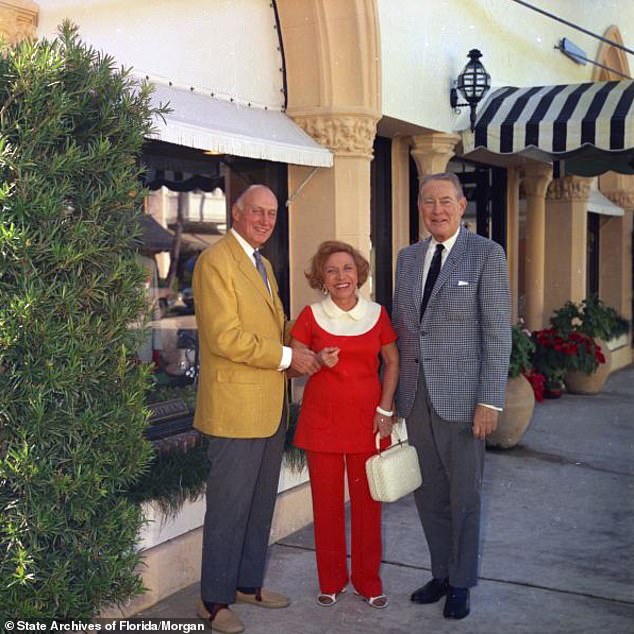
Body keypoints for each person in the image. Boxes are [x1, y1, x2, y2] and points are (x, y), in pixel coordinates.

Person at [193, 185, 322, 634]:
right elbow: (224, 337)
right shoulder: (215, 262)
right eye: (257, 212)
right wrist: (289, 358)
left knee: (259, 504)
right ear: (237, 212)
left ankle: (246, 584)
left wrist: (311, 339)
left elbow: (275, 326)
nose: (265, 220)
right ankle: (212, 602)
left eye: (271, 213)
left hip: (268, 406)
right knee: (229, 507)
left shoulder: (262, 264)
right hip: (233, 408)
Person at [392, 172, 511, 620]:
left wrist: (490, 400)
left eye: (445, 201)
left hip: (464, 403)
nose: (436, 210)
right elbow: (404, 332)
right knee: (429, 494)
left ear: (462, 206)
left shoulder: (486, 255)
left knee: (464, 495)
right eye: (428, 202)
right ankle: (440, 572)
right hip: (416, 397)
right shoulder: (407, 259)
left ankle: (461, 582)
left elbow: (497, 334)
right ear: (419, 207)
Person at [290, 240, 399, 610]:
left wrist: (385, 409)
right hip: (322, 423)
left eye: (347, 269)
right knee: (327, 507)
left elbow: (393, 362)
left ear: (359, 274)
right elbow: (291, 367)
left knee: (369, 506)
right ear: (322, 277)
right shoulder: (310, 315)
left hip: (367, 422)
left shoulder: (377, 314)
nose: (341, 277)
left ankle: (368, 582)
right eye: (332, 270)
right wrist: (317, 360)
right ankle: (331, 581)